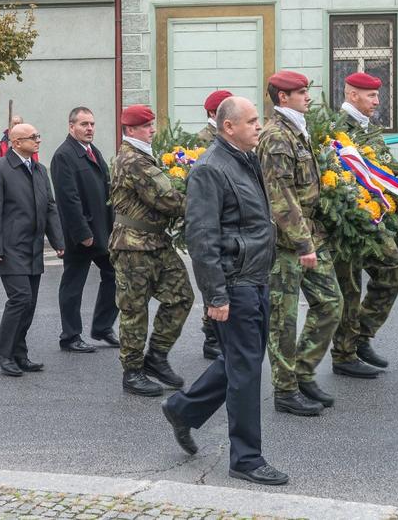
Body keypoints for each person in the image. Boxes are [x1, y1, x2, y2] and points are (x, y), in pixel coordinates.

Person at [161, 96, 288, 486]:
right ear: (228, 126)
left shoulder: (245, 159)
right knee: (246, 370)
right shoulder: (210, 170)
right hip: (236, 284)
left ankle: (183, 409)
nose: (259, 127)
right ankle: (246, 459)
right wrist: (216, 296)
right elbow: (202, 239)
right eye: (251, 121)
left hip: (255, 277)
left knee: (239, 360)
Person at [256, 72, 342, 416]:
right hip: (287, 242)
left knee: (330, 304)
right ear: (282, 98)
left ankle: (303, 371)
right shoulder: (277, 136)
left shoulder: (297, 131)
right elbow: (281, 197)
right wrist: (304, 243)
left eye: (306, 91)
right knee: (283, 319)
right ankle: (285, 390)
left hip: (309, 234)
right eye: (300, 92)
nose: (308, 97)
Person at [109, 105, 193, 397]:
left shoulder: (144, 156)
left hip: (155, 241)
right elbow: (166, 199)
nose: (152, 129)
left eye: (151, 124)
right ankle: (132, 372)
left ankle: (156, 357)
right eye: (146, 126)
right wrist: (205, 202)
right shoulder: (133, 160)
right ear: (130, 130)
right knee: (134, 308)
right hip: (133, 245)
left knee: (181, 296)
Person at [330, 72, 398, 378]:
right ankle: (344, 354)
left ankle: (362, 335)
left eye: (376, 95)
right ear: (352, 95)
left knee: (391, 272)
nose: (377, 101)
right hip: (346, 221)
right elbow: (333, 173)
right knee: (349, 288)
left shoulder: (368, 128)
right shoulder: (337, 129)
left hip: (373, 218)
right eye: (371, 96)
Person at [0, 123, 64, 377]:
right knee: (20, 299)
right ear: (16, 143)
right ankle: (3, 353)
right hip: (9, 247)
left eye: (38, 136)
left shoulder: (39, 169)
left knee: (30, 304)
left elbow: (49, 207)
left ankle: (19, 353)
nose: (38, 140)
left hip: (33, 246)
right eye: (32, 137)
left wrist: (59, 241)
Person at [51, 107, 119, 354]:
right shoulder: (64, 155)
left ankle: (102, 327)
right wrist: (82, 233)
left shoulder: (92, 151)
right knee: (73, 285)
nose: (89, 128)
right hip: (81, 235)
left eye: (92, 124)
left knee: (115, 274)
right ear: (71, 127)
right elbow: (68, 199)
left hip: (101, 231)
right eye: (84, 124)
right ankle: (70, 336)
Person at [193, 90, 232, 360]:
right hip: (210, 215)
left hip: (228, 215)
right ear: (211, 114)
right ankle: (211, 336)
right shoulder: (203, 140)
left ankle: (217, 334)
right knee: (212, 276)